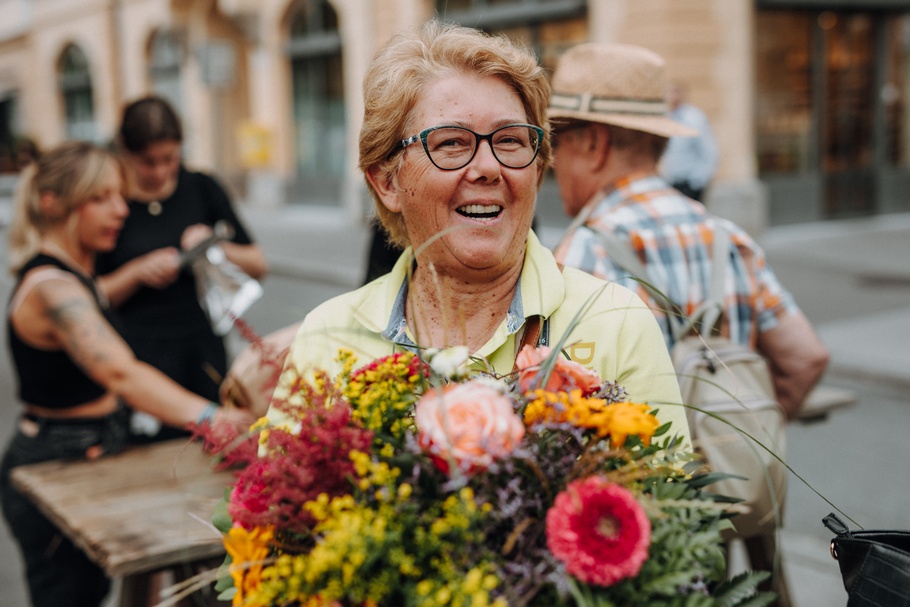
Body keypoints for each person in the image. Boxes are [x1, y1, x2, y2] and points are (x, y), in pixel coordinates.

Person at [267, 21, 690, 444]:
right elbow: (278, 488)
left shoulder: (616, 321)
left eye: (510, 140)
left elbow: (663, 486)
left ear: (537, 170)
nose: (488, 167)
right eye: (451, 143)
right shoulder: (328, 337)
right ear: (387, 181)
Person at [0, 141, 254, 607]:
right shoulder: (53, 289)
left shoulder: (75, 278)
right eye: (100, 198)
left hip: (96, 449)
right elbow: (122, 374)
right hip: (52, 459)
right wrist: (213, 418)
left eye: (119, 195)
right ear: (53, 204)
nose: (120, 209)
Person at [547, 42, 829, 420]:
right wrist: (748, 436)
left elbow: (564, 407)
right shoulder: (727, 237)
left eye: (556, 143)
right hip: (733, 459)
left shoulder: (584, 250)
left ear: (595, 144)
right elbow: (806, 358)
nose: (552, 162)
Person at [96, 96, 267, 443]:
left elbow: (257, 264)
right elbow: (90, 293)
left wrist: (214, 246)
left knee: (215, 443)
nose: (160, 171)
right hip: (140, 357)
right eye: (148, 162)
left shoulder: (201, 188)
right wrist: (136, 273)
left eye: (170, 159)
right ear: (125, 153)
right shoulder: (112, 202)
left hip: (203, 349)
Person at [659, 81, 718, 202]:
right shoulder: (667, 117)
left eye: (674, 92)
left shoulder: (694, 118)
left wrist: (698, 182)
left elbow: (709, 151)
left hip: (690, 183)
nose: (671, 96)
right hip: (672, 182)